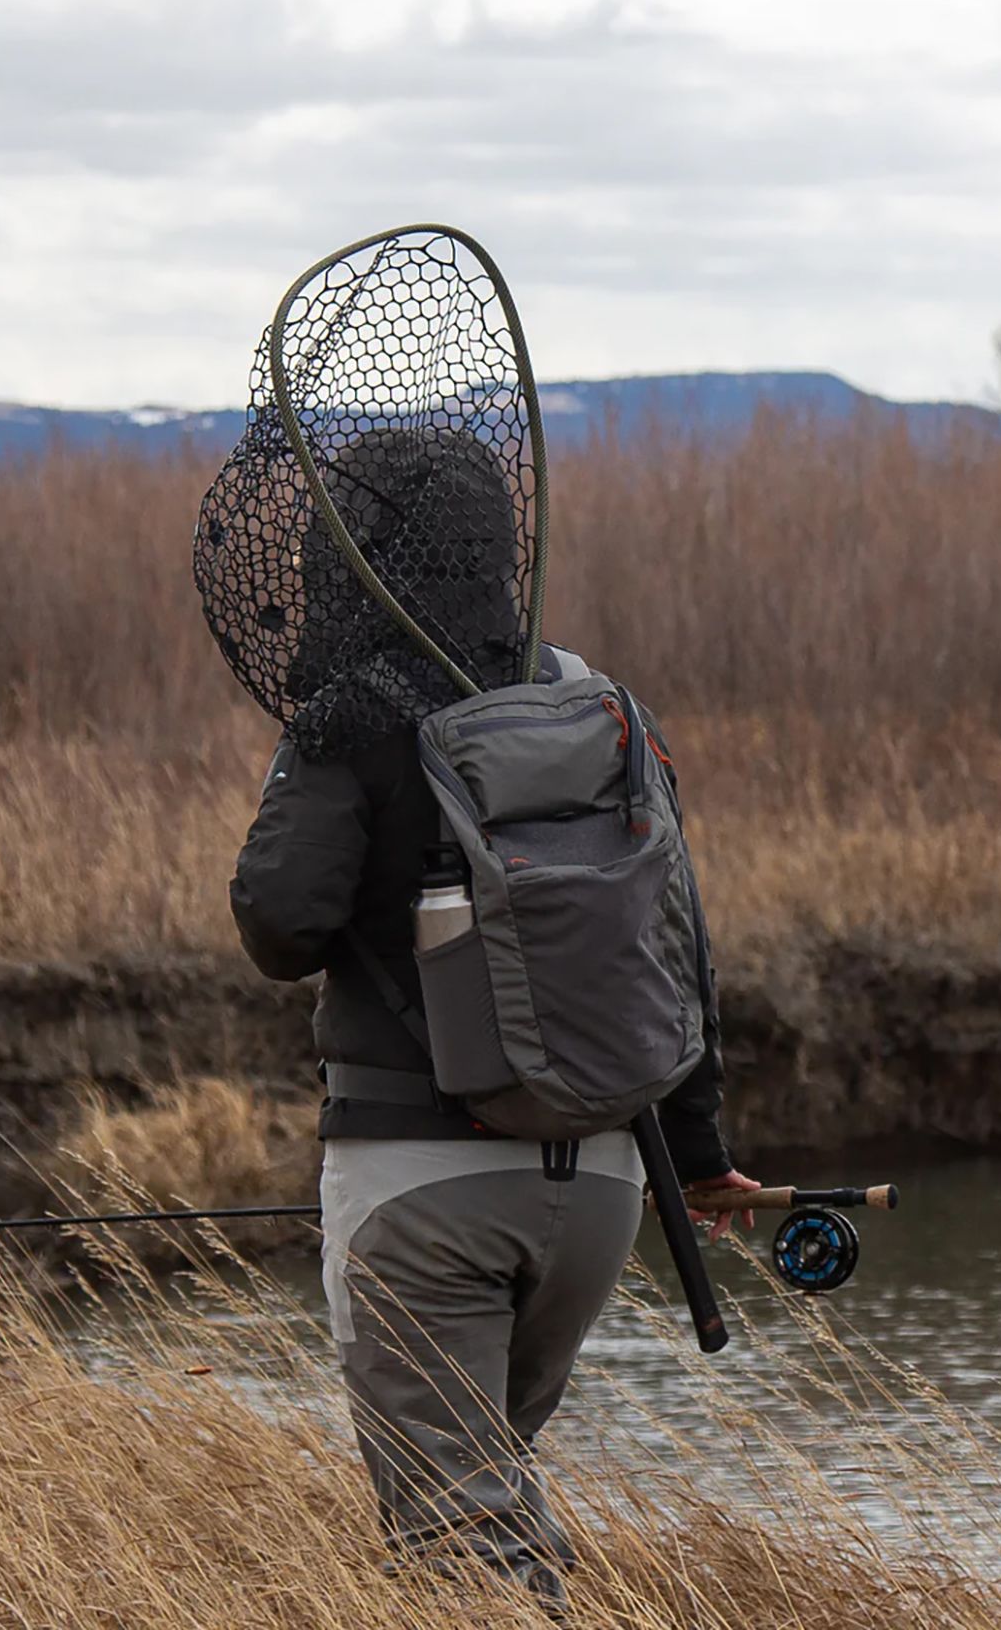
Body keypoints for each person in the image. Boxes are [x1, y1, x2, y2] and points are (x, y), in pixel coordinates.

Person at [228, 444, 756, 1616]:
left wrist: (317, 765)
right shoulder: (602, 704)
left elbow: (279, 922)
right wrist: (704, 1143)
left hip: (421, 1191)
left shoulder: (351, 716)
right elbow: (676, 944)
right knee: (489, 1499)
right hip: (610, 1190)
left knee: (459, 1549)